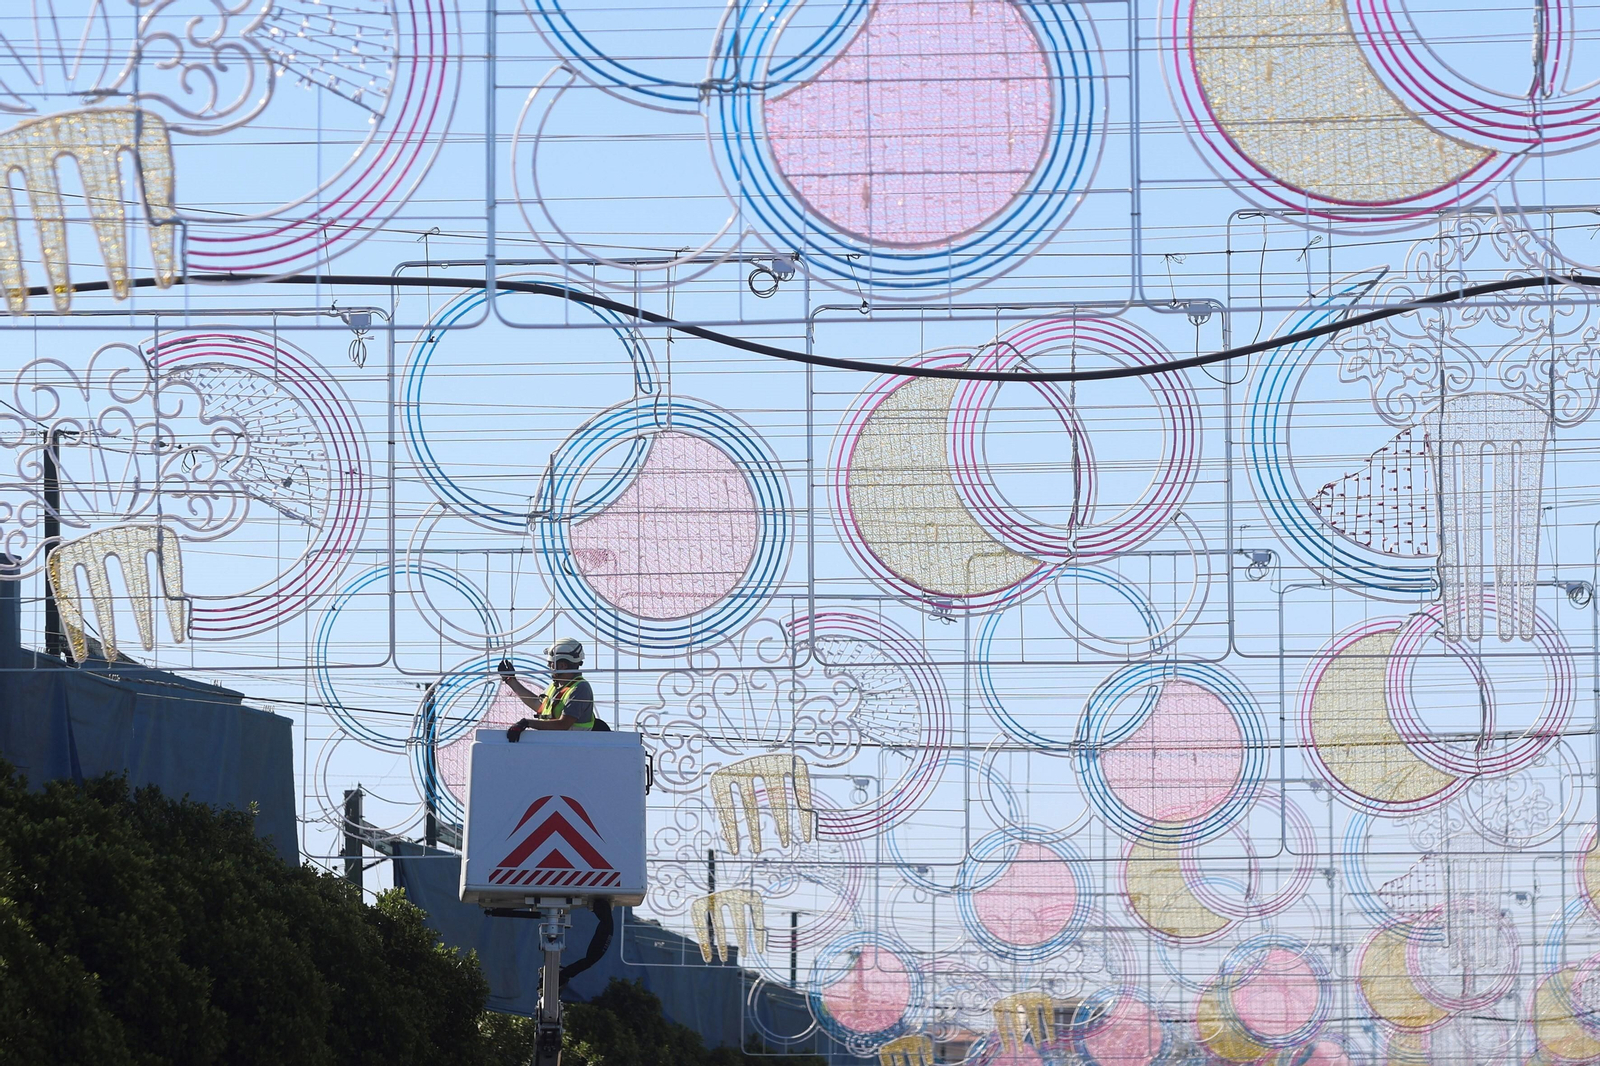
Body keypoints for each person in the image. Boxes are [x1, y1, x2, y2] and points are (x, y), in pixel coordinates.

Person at [500, 638, 602, 740]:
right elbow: (537, 704)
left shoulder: (580, 688)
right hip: (555, 744)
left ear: (562, 665)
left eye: (551, 663)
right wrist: (511, 681)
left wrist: (527, 723)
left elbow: (563, 725)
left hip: (573, 747)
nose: (549, 666)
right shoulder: (555, 687)